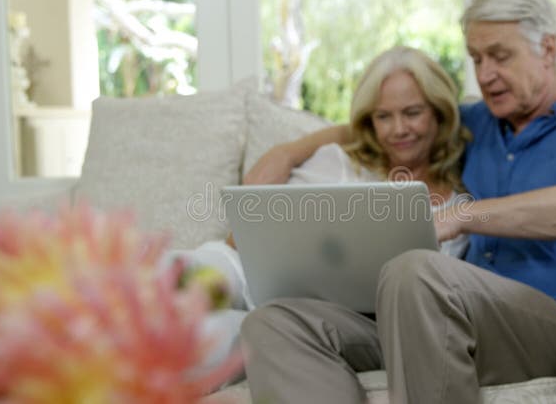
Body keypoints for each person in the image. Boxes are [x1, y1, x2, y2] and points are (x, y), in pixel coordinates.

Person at [239, 0, 556, 403]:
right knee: (275, 322)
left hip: (555, 326)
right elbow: (383, 124)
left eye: (499, 55)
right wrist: (289, 151)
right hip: (444, 317)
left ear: (548, 48)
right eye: (476, 58)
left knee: (415, 270)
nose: (485, 74)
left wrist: (466, 215)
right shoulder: (484, 121)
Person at [168, 45, 472, 376]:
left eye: (412, 113)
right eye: (383, 116)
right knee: (179, 273)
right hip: (248, 274)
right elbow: (252, 234)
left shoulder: (456, 210)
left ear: (439, 113)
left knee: (200, 342)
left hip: (312, 321)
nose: (398, 129)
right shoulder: (341, 161)